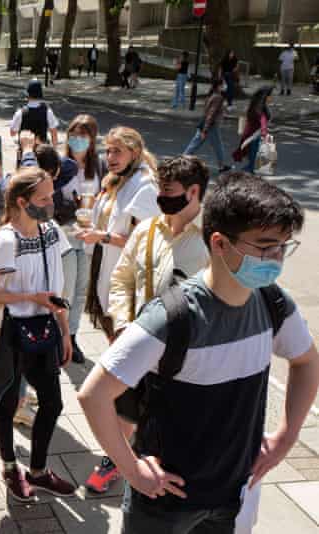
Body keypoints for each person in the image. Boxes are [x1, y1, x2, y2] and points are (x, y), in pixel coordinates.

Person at [79, 172, 319, 533]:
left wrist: (286, 436)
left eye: (283, 247)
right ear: (220, 243)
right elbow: (93, 394)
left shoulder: (273, 304)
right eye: (265, 246)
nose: (276, 258)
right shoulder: (172, 317)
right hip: (165, 503)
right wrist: (131, 470)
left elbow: (306, 361)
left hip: (235, 497)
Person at [84, 155, 211, 495]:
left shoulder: (212, 240)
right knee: (124, 405)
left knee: (175, 422)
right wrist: (124, 325)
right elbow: (122, 279)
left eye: (168, 192)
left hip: (187, 354)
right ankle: (118, 460)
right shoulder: (146, 230)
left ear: (194, 192)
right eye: (160, 191)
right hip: (140, 340)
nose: (161, 199)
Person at [0, 166, 76, 504]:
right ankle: (9, 468)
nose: (52, 202)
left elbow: (56, 286)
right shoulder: (5, 240)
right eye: (44, 197)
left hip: (45, 330)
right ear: (22, 201)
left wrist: (65, 331)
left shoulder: (51, 231)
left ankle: (38, 471)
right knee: (6, 403)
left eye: (51, 196)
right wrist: (28, 298)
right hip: (11, 332)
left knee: (53, 402)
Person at [78, 126, 160, 339]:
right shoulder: (117, 179)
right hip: (104, 265)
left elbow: (144, 241)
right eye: (108, 151)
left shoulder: (145, 186)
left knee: (122, 339)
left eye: (117, 151)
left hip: (126, 279)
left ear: (134, 153)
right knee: (110, 330)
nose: (110, 157)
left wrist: (102, 237)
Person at [62, 115, 107, 363]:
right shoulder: (61, 164)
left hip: (89, 235)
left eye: (83, 136)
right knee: (66, 287)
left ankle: (72, 334)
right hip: (66, 234)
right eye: (74, 135)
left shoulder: (99, 166)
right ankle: (60, 337)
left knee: (81, 289)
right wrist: (75, 207)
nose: (77, 140)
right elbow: (51, 200)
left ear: (91, 140)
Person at [183, 78, 230, 172]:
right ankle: (221, 166)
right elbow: (211, 114)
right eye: (223, 84)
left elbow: (208, 112)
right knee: (218, 146)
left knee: (194, 144)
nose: (225, 85)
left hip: (206, 124)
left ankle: (182, 161)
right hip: (211, 126)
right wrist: (205, 130)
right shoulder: (218, 97)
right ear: (219, 86)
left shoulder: (212, 95)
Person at [234, 86, 273, 174]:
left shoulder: (258, 104)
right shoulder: (260, 106)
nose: (271, 98)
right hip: (254, 132)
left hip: (253, 131)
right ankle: (250, 167)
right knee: (253, 149)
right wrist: (264, 132)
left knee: (252, 149)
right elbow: (262, 119)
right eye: (270, 96)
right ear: (265, 97)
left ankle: (250, 166)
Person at [10, 79, 59, 148]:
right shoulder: (47, 111)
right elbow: (54, 133)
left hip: (25, 151)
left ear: (28, 94)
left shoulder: (20, 112)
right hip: (42, 151)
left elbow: (12, 133)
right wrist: (54, 150)